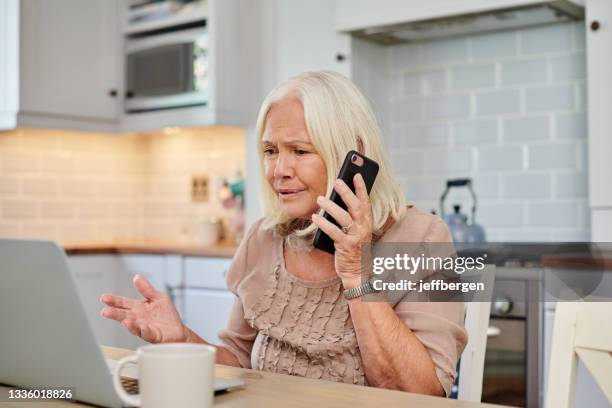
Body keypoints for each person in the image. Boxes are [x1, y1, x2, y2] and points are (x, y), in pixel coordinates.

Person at [100, 71, 467, 397]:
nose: (279, 170)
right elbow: (238, 363)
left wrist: (356, 273)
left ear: (351, 155)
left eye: (300, 151)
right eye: (270, 151)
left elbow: (424, 393)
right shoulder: (263, 237)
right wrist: (182, 340)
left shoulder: (427, 237)